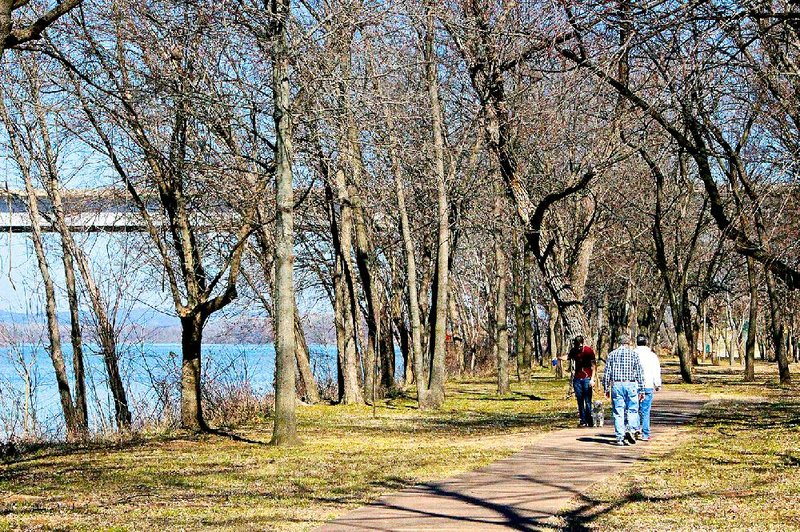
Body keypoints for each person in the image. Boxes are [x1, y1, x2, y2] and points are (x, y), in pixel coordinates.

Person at [602, 334, 645, 446]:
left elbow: (607, 373)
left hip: (616, 384)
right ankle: (631, 430)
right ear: (629, 342)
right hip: (630, 384)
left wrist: (606, 388)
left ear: (618, 342)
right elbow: (639, 373)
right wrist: (642, 389)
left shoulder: (612, 355)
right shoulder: (634, 354)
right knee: (632, 409)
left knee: (618, 411)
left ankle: (620, 437)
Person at [634, 334, 662, 441]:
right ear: (646, 342)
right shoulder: (652, 356)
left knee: (634, 408)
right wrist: (657, 384)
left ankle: (636, 428)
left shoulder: (633, 354)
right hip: (648, 385)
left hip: (635, 385)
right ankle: (645, 434)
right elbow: (656, 370)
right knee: (645, 411)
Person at [567, 335, 596, 427]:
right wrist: (558, 358)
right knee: (580, 400)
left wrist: (592, 379)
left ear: (582, 343)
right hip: (577, 379)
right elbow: (567, 357)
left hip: (587, 378)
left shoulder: (588, 351)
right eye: (576, 346)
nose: (578, 348)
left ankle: (589, 419)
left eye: (580, 346)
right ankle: (582, 420)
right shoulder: (573, 351)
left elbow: (594, 366)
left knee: (588, 400)